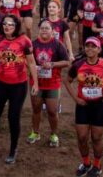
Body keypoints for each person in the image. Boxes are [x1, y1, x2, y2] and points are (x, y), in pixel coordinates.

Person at [0, 14, 39, 164]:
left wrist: (35, 83)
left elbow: (31, 63)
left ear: (16, 26)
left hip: (18, 85)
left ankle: (13, 148)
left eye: (11, 25)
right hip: (1, 83)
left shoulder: (24, 41)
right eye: (5, 24)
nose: (7, 27)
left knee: (13, 117)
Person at [64, 37, 103, 177]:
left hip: (99, 105)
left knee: (96, 138)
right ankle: (86, 163)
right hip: (83, 105)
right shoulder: (78, 65)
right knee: (82, 137)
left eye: (93, 46)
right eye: (87, 46)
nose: (90, 49)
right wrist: (76, 98)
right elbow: (67, 80)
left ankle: (97, 165)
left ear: (99, 49)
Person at [27, 18, 70, 148]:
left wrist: (52, 64)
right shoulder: (33, 44)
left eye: (47, 28)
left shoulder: (58, 44)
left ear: (52, 31)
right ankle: (35, 132)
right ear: (39, 30)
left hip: (53, 83)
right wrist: (33, 67)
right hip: (36, 83)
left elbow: (67, 62)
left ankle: (54, 134)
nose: (44, 30)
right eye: (42, 28)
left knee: (52, 111)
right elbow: (26, 61)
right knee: (36, 109)